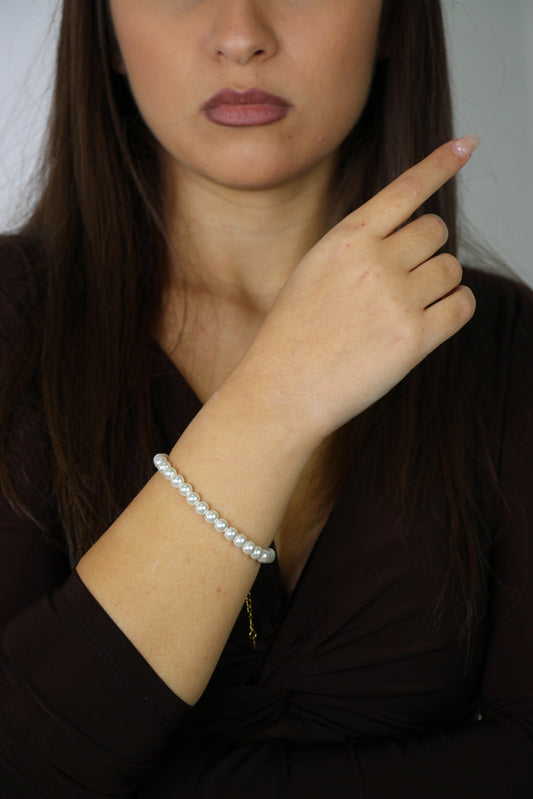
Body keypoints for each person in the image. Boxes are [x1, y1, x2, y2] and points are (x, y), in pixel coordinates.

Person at [0, 0, 532, 796]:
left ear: (392, 20)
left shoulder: (509, 346)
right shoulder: (12, 324)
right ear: (105, 31)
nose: (242, 35)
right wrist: (276, 397)